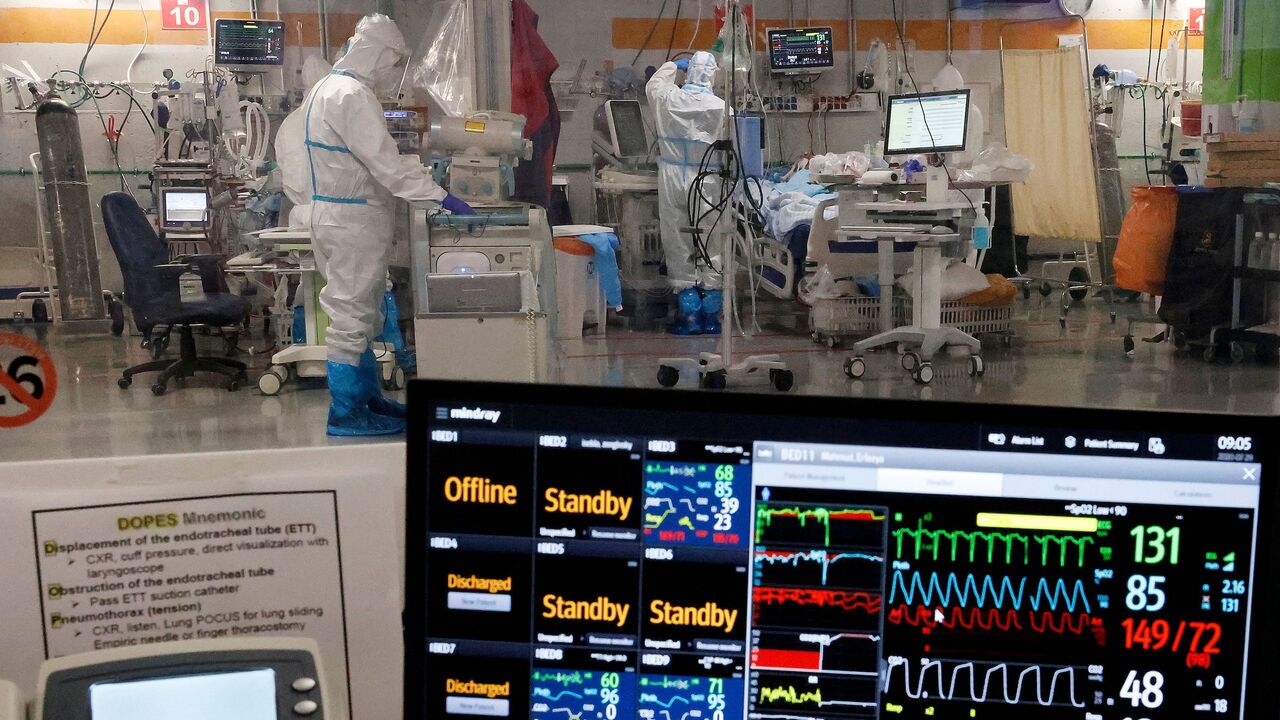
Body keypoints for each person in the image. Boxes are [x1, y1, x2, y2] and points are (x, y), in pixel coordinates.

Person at [299, 14, 476, 436]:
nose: (392, 71)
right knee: (352, 314)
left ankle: (368, 400)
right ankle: (346, 413)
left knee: (360, 310)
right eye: (393, 61)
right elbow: (387, 167)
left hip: (340, 215)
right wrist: (442, 196)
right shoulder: (352, 95)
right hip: (352, 220)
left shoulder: (327, 88)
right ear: (377, 52)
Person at [646, 51, 726, 335]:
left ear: (689, 72)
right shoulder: (719, 106)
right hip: (706, 178)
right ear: (713, 75)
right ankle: (711, 312)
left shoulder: (668, 98)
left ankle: (688, 313)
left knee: (677, 238)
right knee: (710, 239)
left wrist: (671, 66)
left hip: (672, 175)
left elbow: (653, 86)